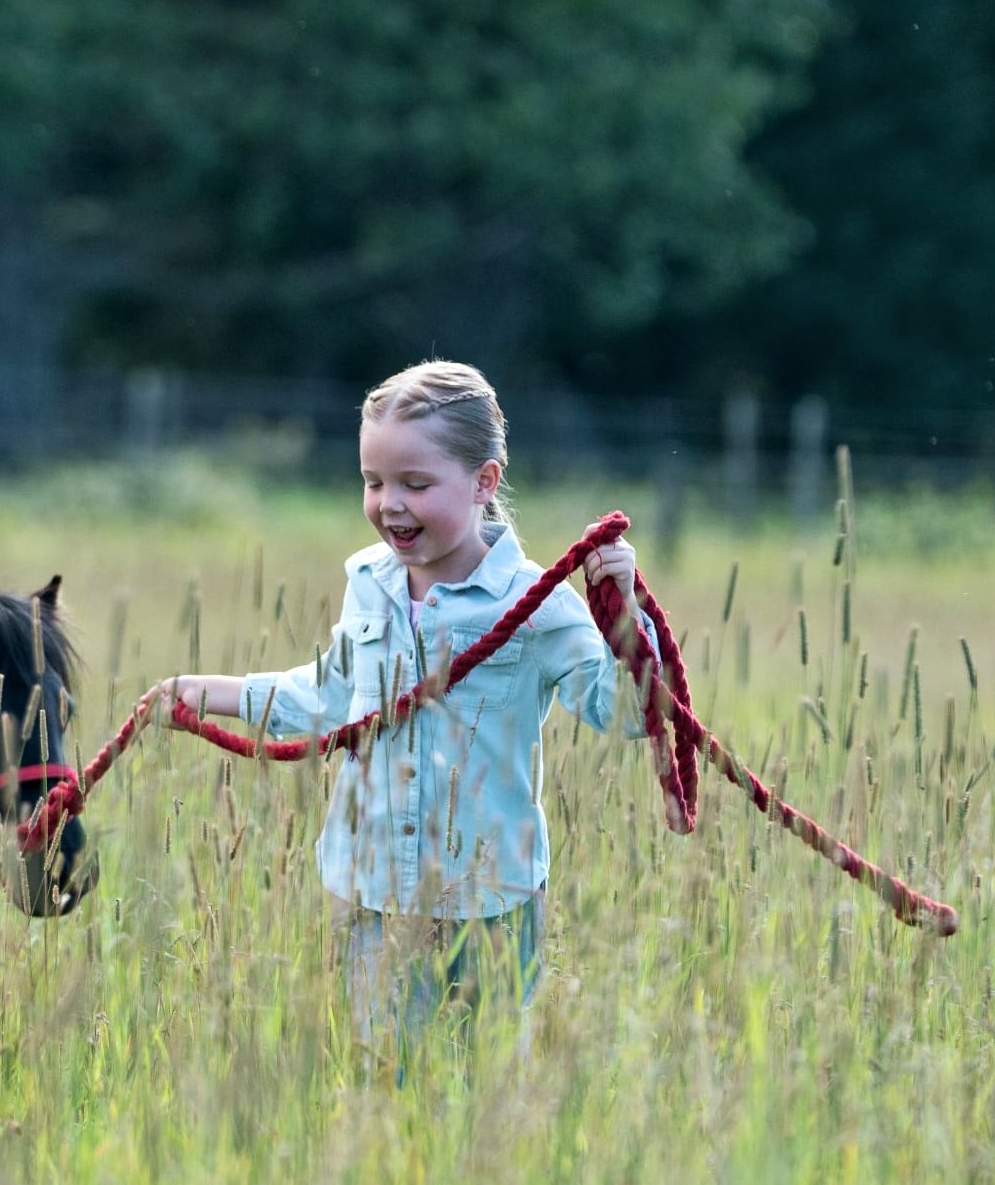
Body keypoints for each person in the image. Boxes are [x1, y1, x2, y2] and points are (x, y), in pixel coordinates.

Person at [155, 360, 648, 1064]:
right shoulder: (369, 587)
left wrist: (624, 615)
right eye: (373, 481)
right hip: (372, 901)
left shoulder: (536, 604)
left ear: (483, 481)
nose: (389, 503)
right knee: (383, 1087)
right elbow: (327, 698)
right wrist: (213, 693)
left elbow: (624, 713)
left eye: (414, 484)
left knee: (478, 1095)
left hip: (491, 907)